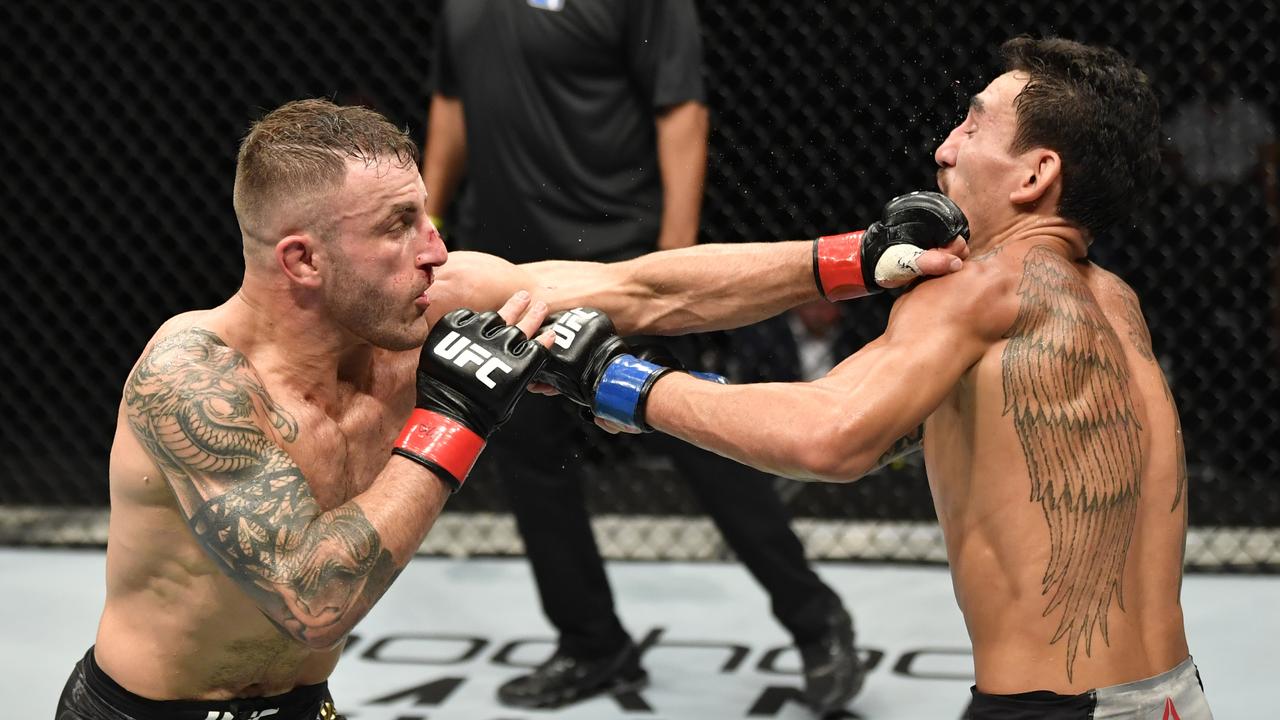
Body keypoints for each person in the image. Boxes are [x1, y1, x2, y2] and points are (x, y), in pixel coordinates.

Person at [56, 98, 964, 719]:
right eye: (396, 227)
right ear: (299, 260)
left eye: (425, 215)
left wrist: (854, 257)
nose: (435, 249)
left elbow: (641, 290)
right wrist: (454, 418)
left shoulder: (420, 304)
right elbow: (312, 598)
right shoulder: (193, 382)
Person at [533, 38, 1216, 719]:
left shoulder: (981, 286)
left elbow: (829, 437)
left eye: (974, 125)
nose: (945, 149)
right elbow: (875, 423)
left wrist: (613, 378)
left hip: (1055, 709)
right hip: (1174, 697)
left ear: (1035, 175)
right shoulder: (1115, 303)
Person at [422, 0, 868, 712]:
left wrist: (674, 261)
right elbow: (451, 101)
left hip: (619, 264)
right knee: (530, 459)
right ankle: (593, 644)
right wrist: (432, 225)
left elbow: (682, 112)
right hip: (506, 266)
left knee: (701, 440)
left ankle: (816, 622)